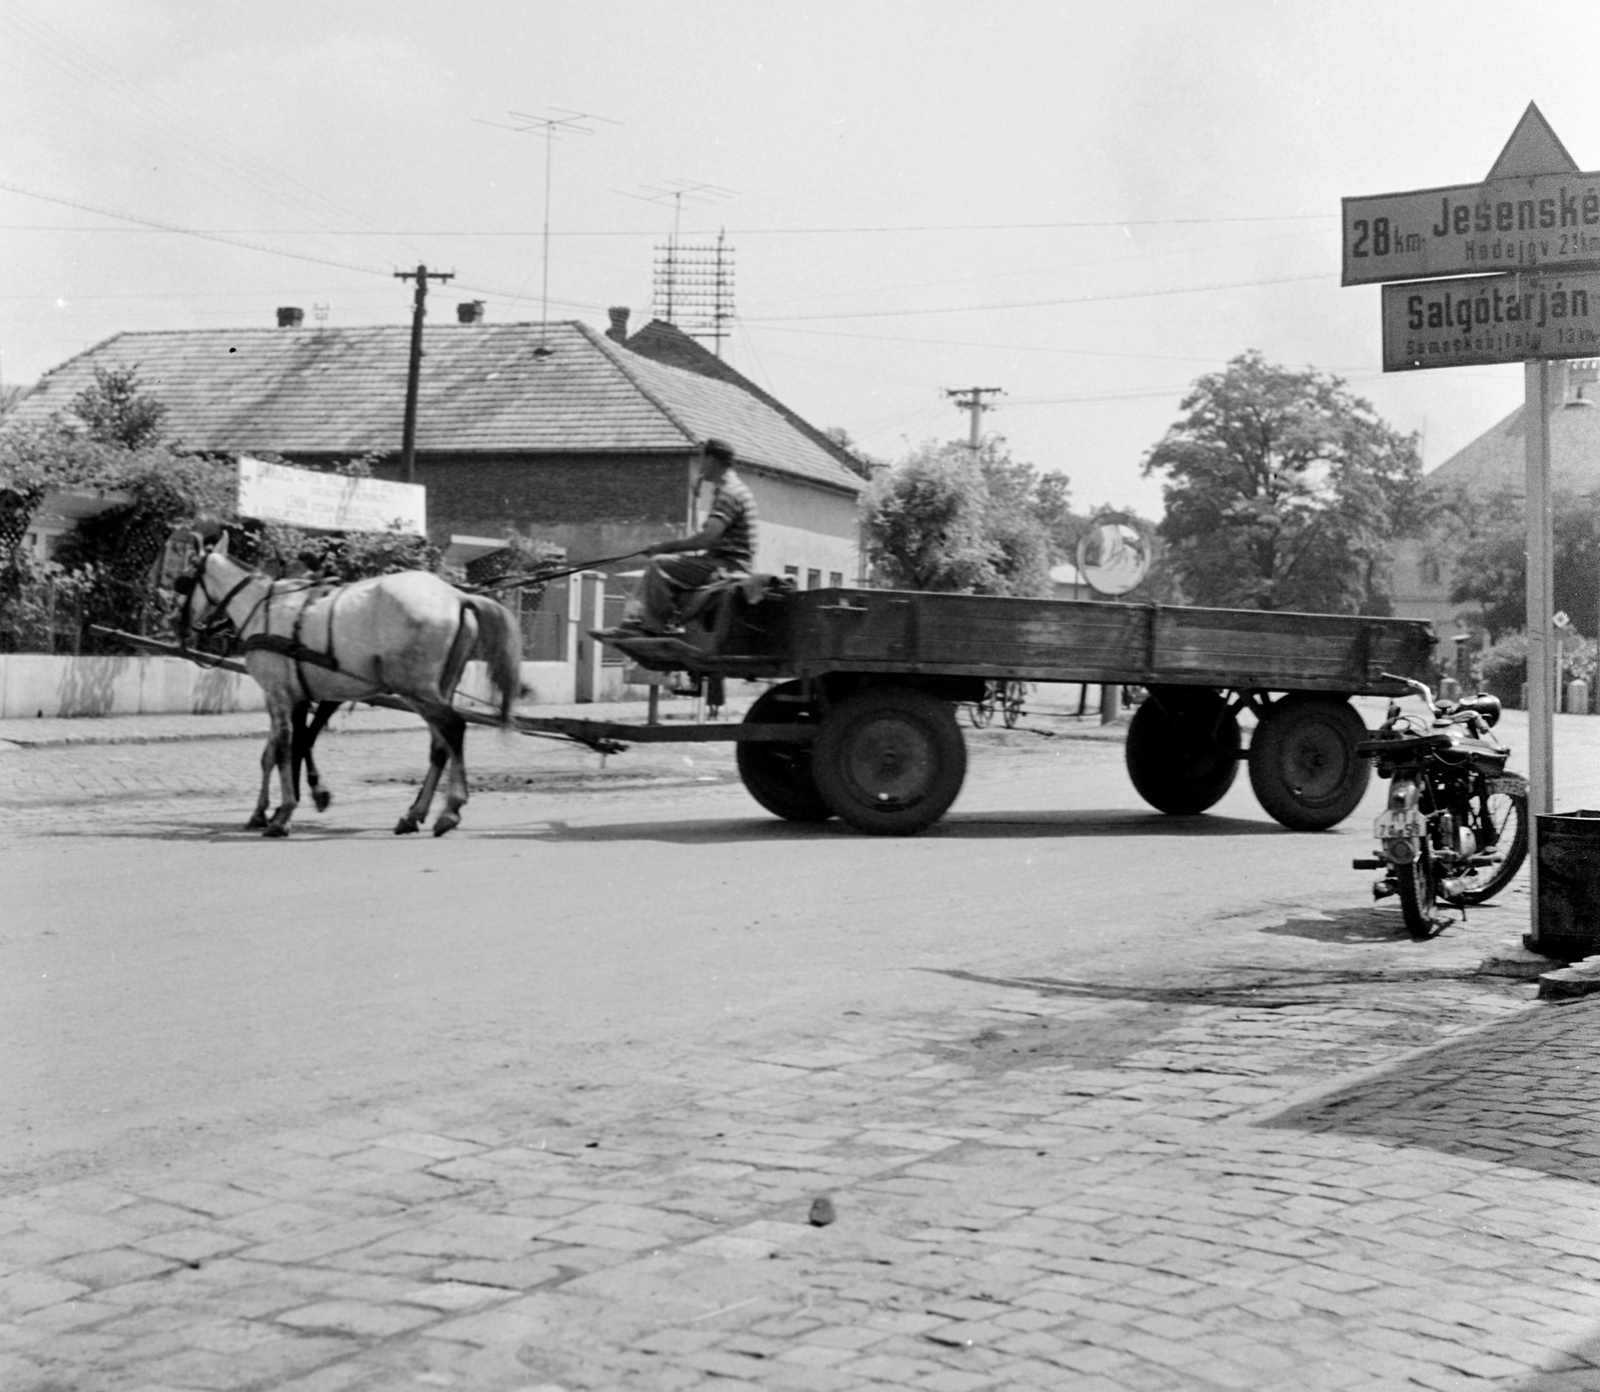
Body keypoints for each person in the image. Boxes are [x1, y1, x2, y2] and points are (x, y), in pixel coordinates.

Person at [614, 438, 758, 636]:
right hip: (727, 561)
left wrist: (666, 547)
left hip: (728, 565)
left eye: (702, 459)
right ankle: (668, 619)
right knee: (673, 566)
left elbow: (706, 539)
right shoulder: (735, 489)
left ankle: (656, 626)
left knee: (659, 564)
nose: (700, 466)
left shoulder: (729, 493)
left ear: (711, 460)